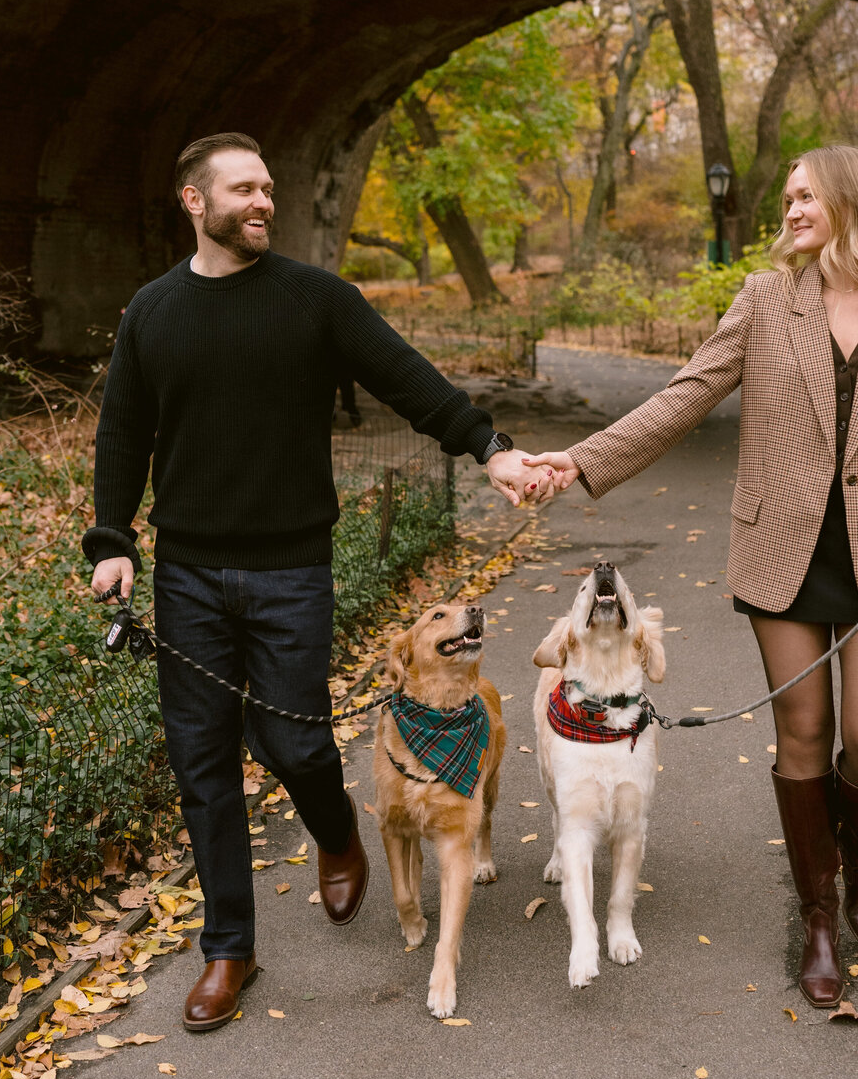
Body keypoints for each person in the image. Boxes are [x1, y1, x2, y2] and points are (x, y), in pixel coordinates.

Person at [85, 133, 554, 1032]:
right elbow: (122, 431)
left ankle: (337, 830)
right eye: (243, 190)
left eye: (269, 187)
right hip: (186, 575)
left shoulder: (315, 300)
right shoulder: (151, 312)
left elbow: (410, 382)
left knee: (295, 745)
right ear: (194, 201)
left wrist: (490, 449)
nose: (263, 202)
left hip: (292, 569)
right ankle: (230, 950)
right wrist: (113, 539)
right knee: (203, 763)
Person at [526, 146, 858, 1006]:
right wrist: (581, 461)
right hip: (781, 549)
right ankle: (818, 912)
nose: (788, 210)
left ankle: (857, 861)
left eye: (804, 194)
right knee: (804, 733)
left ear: (852, 200)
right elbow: (685, 394)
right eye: (785, 197)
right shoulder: (764, 301)